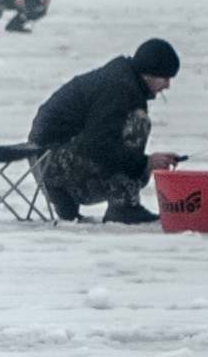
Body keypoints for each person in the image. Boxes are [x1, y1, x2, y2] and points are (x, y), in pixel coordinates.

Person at [28, 36, 181, 225]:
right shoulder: (120, 89)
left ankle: (66, 200)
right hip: (49, 163)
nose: (167, 85)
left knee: (131, 134)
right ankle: (123, 206)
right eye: (165, 78)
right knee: (138, 123)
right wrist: (145, 163)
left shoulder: (122, 82)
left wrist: (144, 163)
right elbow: (99, 145)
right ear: (148, 73)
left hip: (47, 161)